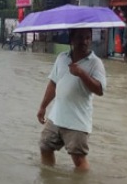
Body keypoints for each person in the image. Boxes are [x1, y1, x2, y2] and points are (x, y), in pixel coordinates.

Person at [37, 28, 106, 172]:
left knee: (78, 159)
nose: (85, 42)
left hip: (77, 121)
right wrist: (43, 107)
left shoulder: (95, 63)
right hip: (56, 117)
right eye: (80, 38)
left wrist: (81, 73)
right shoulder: (62, 57)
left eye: (88, 38)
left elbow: (99, 90)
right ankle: (49, 182)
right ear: (72, 40)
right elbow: (53, 83)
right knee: (45, 147)